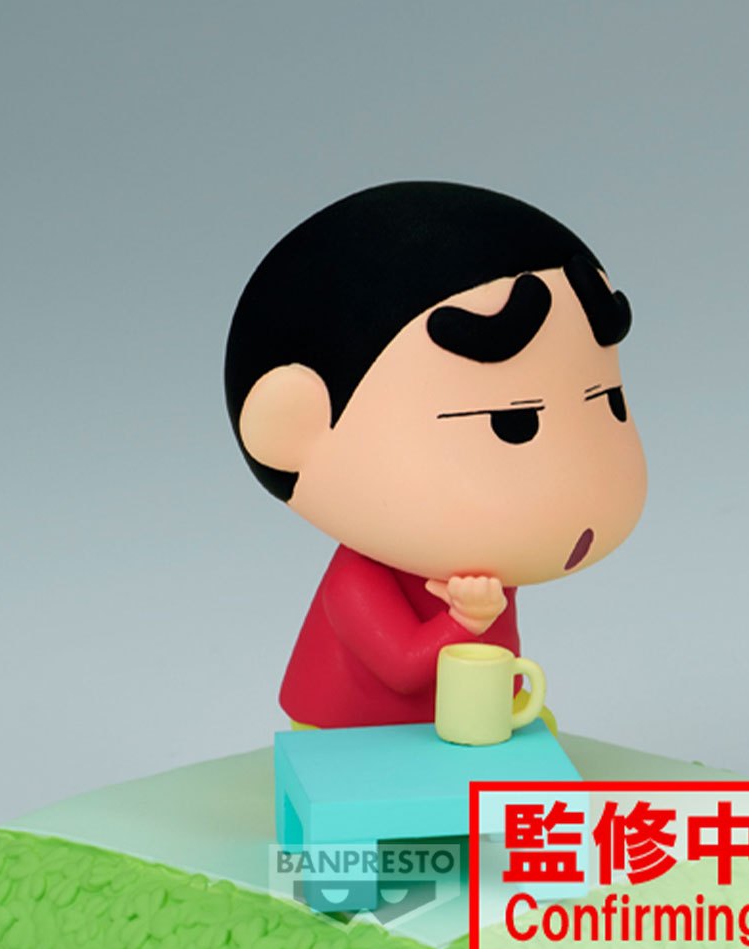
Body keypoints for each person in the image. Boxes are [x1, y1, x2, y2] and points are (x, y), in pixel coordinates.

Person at [224, 181, 647, 729]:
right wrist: (465, 621)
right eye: (512, 422)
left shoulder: (485, 557)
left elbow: (498, 647)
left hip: (465, 724)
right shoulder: (358, 580)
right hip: (351, 734)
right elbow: (402, 667)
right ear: (292, 428)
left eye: (609, 401)